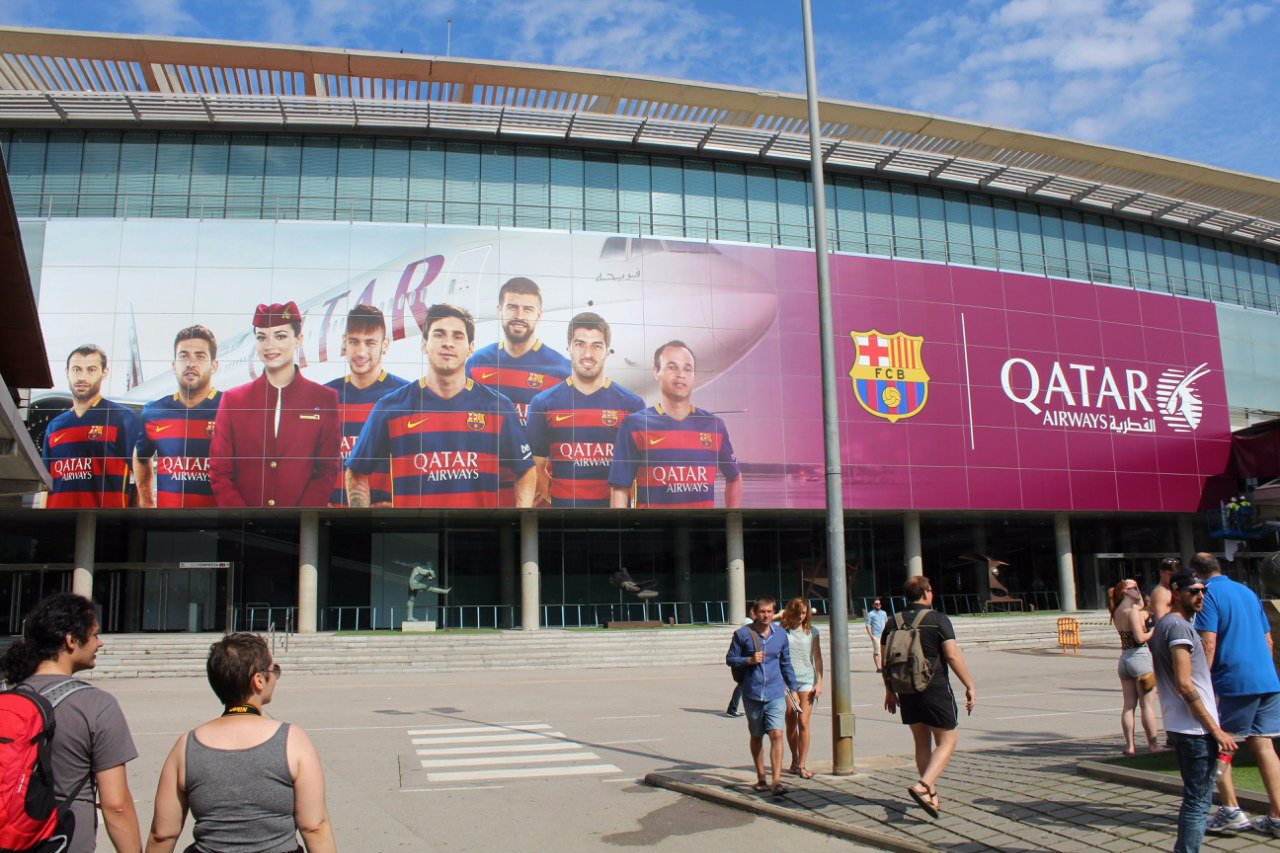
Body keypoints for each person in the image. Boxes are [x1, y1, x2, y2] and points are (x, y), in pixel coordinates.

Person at [145, 633, 336, 853]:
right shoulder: (292, 740)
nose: (275, 677)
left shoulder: (187, 746)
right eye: (274, 670)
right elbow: (314, 826)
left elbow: (162, 834)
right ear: (259, 680)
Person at [346, 303, 535, 508]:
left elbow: (526, 470)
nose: (448, 343)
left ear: (471, 348)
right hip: (415, 538)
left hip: (481, 537)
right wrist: (362, 519)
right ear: (424, 344)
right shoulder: (391, 407)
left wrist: (521, 520)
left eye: (457, 336)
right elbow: (356, 471)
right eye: (439, 335)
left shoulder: (497, 407)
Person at [0, 593, 141, 853]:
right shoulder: (97, 705)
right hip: (65, 841)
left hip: (10, 841)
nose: (100, 643)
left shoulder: (8, 698)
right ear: (71, 640)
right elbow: (117, 805)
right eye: (95, 634)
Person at [208, 302, 341, 507]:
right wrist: (243, 520)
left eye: (280, 336)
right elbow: (220, 471)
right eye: (262, 337)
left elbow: (327, 470)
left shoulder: (324, 399)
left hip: (301, 532)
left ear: (298, 339)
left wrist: (299, 519)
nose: (269, 345)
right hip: (241, 530)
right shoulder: (233, 400)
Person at [1192, 552, 1280, 838]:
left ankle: (1231, 811)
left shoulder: (1207, 595)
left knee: (1221, 744)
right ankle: (1277, 815)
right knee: (1264, 745)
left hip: (1233, 680)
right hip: (1266, 679)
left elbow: (1208, 642)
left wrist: (1202, 684)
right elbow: (1268, 640)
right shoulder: (1247, 591)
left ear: (1197, 574)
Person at [1150, 570, 1238, 853]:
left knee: (1195, 798)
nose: (1200, 596)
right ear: (1175, 593)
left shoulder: (1166, 624)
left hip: (1182, 725)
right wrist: (1216, 729)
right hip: (1195, 729)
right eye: (1193, 591)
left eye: (1203, 591)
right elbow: (1185, 684)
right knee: (1198, 802)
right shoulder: (1178, 628)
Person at [466, 277, 570, 506]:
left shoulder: (562, 370)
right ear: (499, 310)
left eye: (528, 309)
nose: (519, 315)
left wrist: (545, 486)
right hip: (487, 495)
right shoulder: (476, 365)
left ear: (539, 314)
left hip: (540, 500)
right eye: (512, 307)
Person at [881, 575, 976, 819]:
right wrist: (969, 684)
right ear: (925, 593)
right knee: (947, 741)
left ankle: (930, 794)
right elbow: (952, 655)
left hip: (905, 689)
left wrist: (890, 691)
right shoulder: (937, 619)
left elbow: (885, 661)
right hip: (934, 688)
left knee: (922, 743)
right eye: (930, 590)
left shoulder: (893, 621)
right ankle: (923, 785)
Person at [526, 312, 644, 507]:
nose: (588, 354)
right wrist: (560, 506)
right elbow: (535, 468)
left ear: (607, 350)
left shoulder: (632, 405)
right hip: (563, 523)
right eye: (580, 344)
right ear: (568, 348)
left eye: (597, 346)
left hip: (613, 523)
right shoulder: (543, 403)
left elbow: (639, 475)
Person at [609, 340, 742, 509]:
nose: (681, 374)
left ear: (694, 375)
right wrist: (623, 530)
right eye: (672, 367)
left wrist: (732, 523)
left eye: (687, 369)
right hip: (652, 533)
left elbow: (735, 478)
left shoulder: (714, 426)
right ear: (656, 372)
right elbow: (619, 488)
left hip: (700, 533)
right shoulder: (634, 424)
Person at [324, 305, 408, 506]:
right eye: (354, 342)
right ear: (345, 343)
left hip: (388, 523)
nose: (361, 352)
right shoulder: (324, 397)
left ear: (384, 344)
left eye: (370, 343)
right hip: (329, 522)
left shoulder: (406, 396)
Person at [42, 344, 143, 508]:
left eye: (91, 370)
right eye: (76, 369)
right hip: (57, 525)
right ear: (67, 372)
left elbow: (142, 475)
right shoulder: (55, 426)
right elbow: (45, 485)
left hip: (105, 525)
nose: (82, 377)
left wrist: (136, 525)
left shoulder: (123, 418)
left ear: (104, 372)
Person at [133, 326, 222, 508]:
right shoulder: (153, 412)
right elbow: (141, 457)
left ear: (214, 365)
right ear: (174, 366)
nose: (191, 363)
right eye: (183, 356)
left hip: (220, 528)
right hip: (168, 528)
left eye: (200, 356)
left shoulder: (231, 408)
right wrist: (147, 502)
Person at [725, 596, 798, 796]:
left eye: (769, 611)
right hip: (752, 692)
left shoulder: (781, 634)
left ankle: (776, 780)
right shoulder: (742, 635)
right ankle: (761, 777)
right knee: (756, 735)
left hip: (775, 692)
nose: (766, 615)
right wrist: (748, 659)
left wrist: (793, 688)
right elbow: (730, 659)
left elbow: (786, 662)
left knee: (776, 734)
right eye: (762, 612)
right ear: (755, 613)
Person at [1107, 579, 1160, 755]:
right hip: (1140, 658)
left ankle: (1130, 745)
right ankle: (1153, 744)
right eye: (1132, 588)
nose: (1137, 590)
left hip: (1124, 659)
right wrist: (1154, 630)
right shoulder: (1132, 612)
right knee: (1147, 705)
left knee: (1129, 706)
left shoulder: (1116, 612)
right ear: (1124, 592)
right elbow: (1140, 637)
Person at [780, 598, 823, 779]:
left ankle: (803, 764)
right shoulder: (782, 632)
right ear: (790, 612)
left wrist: (819, 682)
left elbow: (818, 658)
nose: (800, 616)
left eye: (804, 613)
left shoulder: (812, 632)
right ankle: (795, 759)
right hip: (787, 680)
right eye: (797, 613)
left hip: (807, 678)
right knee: (790, 720)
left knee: (803, 721)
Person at [1150, 556, 1179, 622]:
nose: (1174, 577)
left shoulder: (1172, 589)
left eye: (1176, 575)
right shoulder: (1160, 592)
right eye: (1171, 574)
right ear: (1162, 573)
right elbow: (1161, 621)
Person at [865, 598, 888, 673]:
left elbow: (886, 623)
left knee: (884, 651)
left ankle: (884, 666)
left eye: (879, 604)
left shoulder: (884, 613)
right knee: (877, 651)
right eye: (876, 604)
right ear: (873, 605)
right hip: (876, 635)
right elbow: (868, 625)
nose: (878, 605)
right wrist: (871, 635)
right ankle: (879, 667)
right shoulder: (870, 614)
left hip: (884, 635)